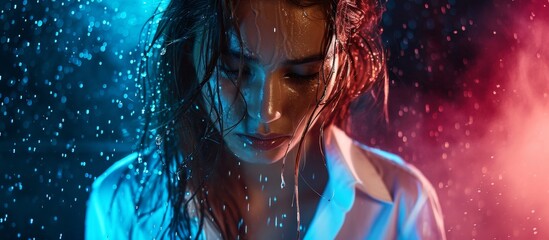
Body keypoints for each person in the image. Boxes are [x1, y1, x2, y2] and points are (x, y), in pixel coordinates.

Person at [86, 0, 446, 239]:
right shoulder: (124, 203)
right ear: (187, 52)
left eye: (303, 73)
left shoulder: (401, 205)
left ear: (342, 66)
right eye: (233, 69)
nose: (265, 111)